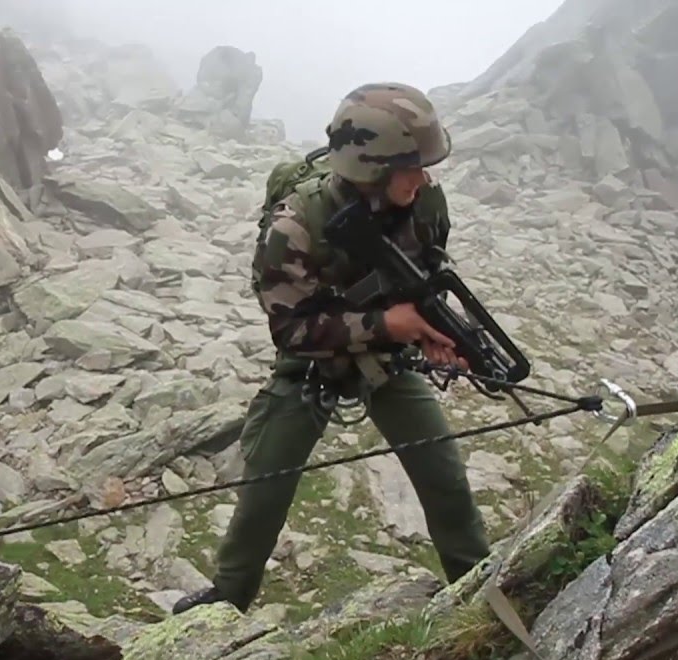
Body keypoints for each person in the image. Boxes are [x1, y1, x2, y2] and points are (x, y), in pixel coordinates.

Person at [172, 83, 491, 615]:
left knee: (445, 478)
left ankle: (482, 588)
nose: (424, 177)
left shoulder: (424, 203)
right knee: (265, 487)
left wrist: (433, 333)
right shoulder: (294, 225)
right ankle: (226, 603)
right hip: (311, 365)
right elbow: (292, 330)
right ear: (372, 167)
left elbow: (427, 277)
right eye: (410, 167)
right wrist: (386, 323)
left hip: (386, 361)